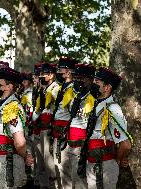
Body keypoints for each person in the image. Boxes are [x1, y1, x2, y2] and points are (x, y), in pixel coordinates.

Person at [81, 67, 132, 189]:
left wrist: (117, 161)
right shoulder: (95, 104)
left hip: (105, 166)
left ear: (107, 87)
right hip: (92, 162)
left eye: (97, 82)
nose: (93, 84)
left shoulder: (112, 109)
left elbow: (126, 144)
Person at [0, 67, 34, 189]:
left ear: (9, 87)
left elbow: (19, 141)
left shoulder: (12, 107)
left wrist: (25, 156)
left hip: (6, 161)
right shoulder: (2, 103)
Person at [52, 57, 77, 188]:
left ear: (68, 72)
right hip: (57, 133)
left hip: (65, 134)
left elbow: (72, 114)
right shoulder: (62, 88)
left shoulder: (73, 90)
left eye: (60, 70)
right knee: (58, 168)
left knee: (65, 170)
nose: (59, 73)